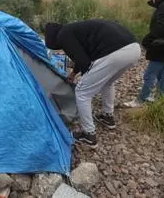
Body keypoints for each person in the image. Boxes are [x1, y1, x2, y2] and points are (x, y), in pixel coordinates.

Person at [45, 20, 141, 148]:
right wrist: (74, 73)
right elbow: (84, 55)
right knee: (108, 83)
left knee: (82, 92)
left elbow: (84, 63)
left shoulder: (63, 36)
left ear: (54, 41)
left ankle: (88, 134)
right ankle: (107, 116)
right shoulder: (75, 29)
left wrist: (86, 81)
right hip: (134, 49)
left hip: (114, 53)